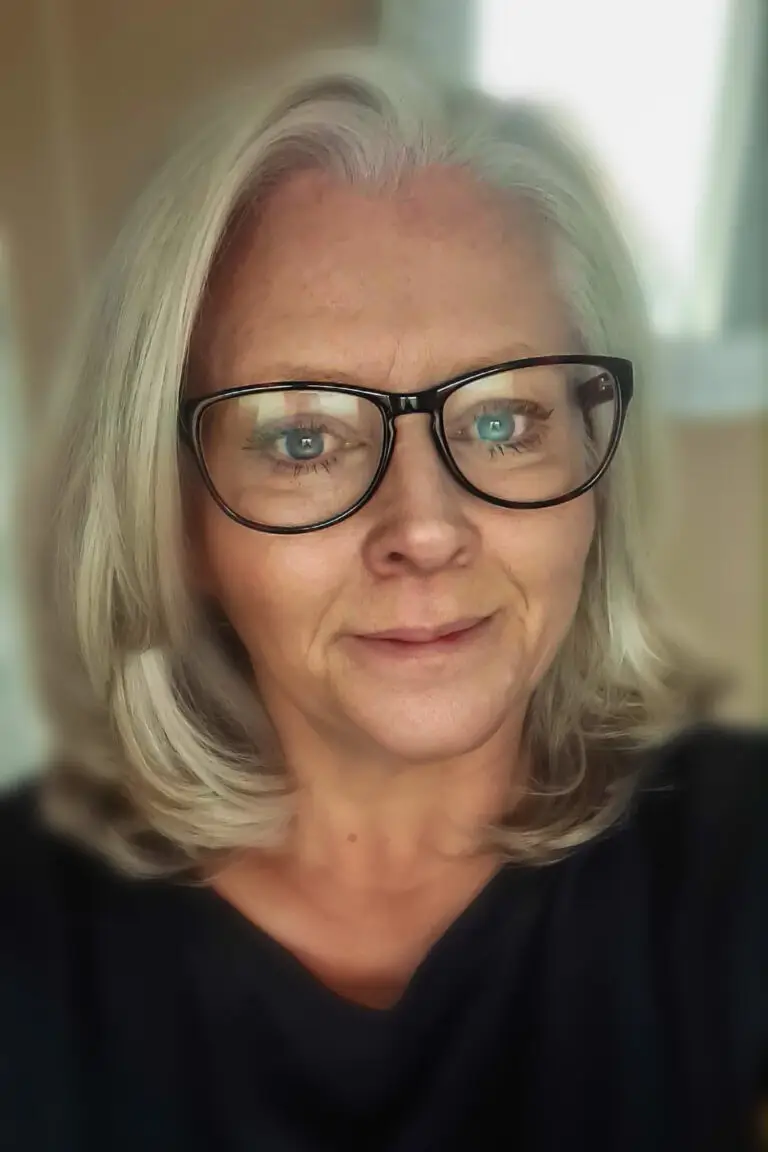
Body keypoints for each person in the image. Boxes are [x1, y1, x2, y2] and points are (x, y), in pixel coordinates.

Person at [1, 46, 765, 1152]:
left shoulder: (734, 853)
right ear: (177, 519)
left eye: (502, 422)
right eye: (304, 439)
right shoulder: (27, 940)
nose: (425, 530)